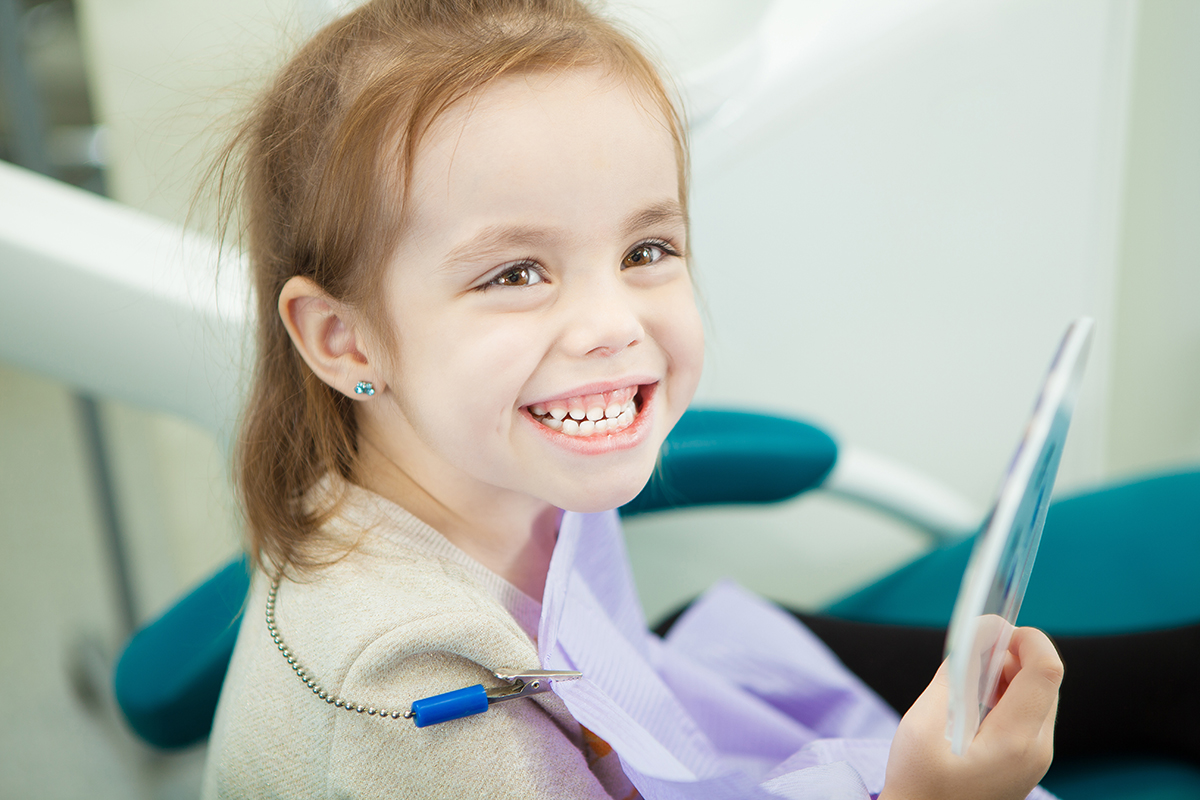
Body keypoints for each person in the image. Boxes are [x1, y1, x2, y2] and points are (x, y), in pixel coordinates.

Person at [201, 0, 1062, 797]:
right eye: (515, 272)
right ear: (342, 339)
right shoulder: (414, 698)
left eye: (646, 249)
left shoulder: (509, 464)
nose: (612, 324)